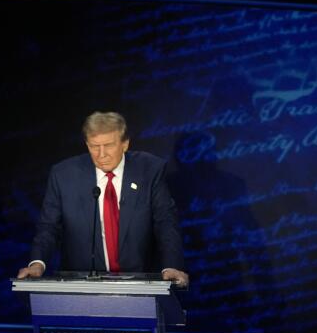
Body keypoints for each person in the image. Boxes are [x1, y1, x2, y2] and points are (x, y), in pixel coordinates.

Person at [17, 111, 189, 286]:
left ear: (125, 143)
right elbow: (49, 227)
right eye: (94, 146)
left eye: (108, 145)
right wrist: (37, 263)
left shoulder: (149, 171)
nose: (101, 154)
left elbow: (165, 223)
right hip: (82, 286)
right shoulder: (63, 176)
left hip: (140, 283)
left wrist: (171, 266)